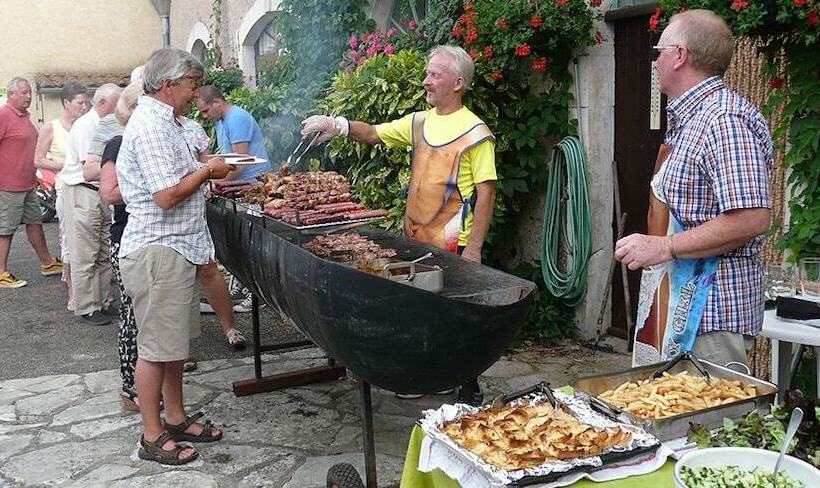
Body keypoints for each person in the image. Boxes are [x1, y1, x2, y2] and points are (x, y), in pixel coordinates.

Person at [301, 45, 496, 404]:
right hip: (418, 237)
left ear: (458, 83)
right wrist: (338, 125)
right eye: (427, 74)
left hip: (454, 242)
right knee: (421, 312)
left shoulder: (475, 132)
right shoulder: (419, 122)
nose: (426, 81)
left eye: (434, 75)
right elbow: (375, 133)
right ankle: (426, 376)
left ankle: (466, 382)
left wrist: (474, 248)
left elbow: (486, 194)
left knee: (455, 315)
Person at [614, 9, 772, 367]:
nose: (654, 63)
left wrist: (664, 246)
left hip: (709, 320)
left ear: (680, 55)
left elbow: (751, 218)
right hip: (679, 312)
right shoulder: (690, 120)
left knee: (709, 423)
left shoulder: (723, 121)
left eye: (659, 52)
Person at [117, 48, 232, 464]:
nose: (195, 93)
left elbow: (183, 175)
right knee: (155, 348)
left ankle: (177, 417)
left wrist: (205, 169)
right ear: (168, 85)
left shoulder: (172, 122)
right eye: (190, 85)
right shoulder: (149, 125)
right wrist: (208, 172)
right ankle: (151, 435)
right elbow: (166, 196)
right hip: (157, 250)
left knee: (173, 347)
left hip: (179, 248)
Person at [195, 84, 270, 313]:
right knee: (237, 240)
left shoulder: (237, 118)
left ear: (217, 102)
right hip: (237, 187)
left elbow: (240, 160)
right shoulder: (220, 121)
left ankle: (257, 295)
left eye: (206, 111)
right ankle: (241, 286)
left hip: (253, 185)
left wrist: (220, 183)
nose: (205, 117)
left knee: (251, 241)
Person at [60, 83, 122, 324]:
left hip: (99, 192)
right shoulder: (88, 125)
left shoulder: (102, 124)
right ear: (104, 103)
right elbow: (91, 167)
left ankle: (102, 300)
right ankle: (87, 306)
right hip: (83, 191)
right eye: (119, 104)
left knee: (103, 250)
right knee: (86, 251)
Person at [0, 77, 64, 288]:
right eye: (24, 92)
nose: (29, 96)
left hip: (28, 183)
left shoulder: (25, 116)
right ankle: (1, 273)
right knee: (5, 229)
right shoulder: (4, 115)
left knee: (35, 223)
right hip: (7, 185)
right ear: (11, 94)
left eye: (30, 93)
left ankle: (47, 263)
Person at [33, 82, 89, 302]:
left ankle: (85, 284)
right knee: (68, 238)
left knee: (89, 239)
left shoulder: (86, 126)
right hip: (65, 188)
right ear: (66, 103)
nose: (84, 107)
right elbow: (38, 159)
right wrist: (67, 164)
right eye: (79, 103)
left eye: (86, 103)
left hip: (89, 188)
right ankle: (72, 289)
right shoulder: (52, 127)